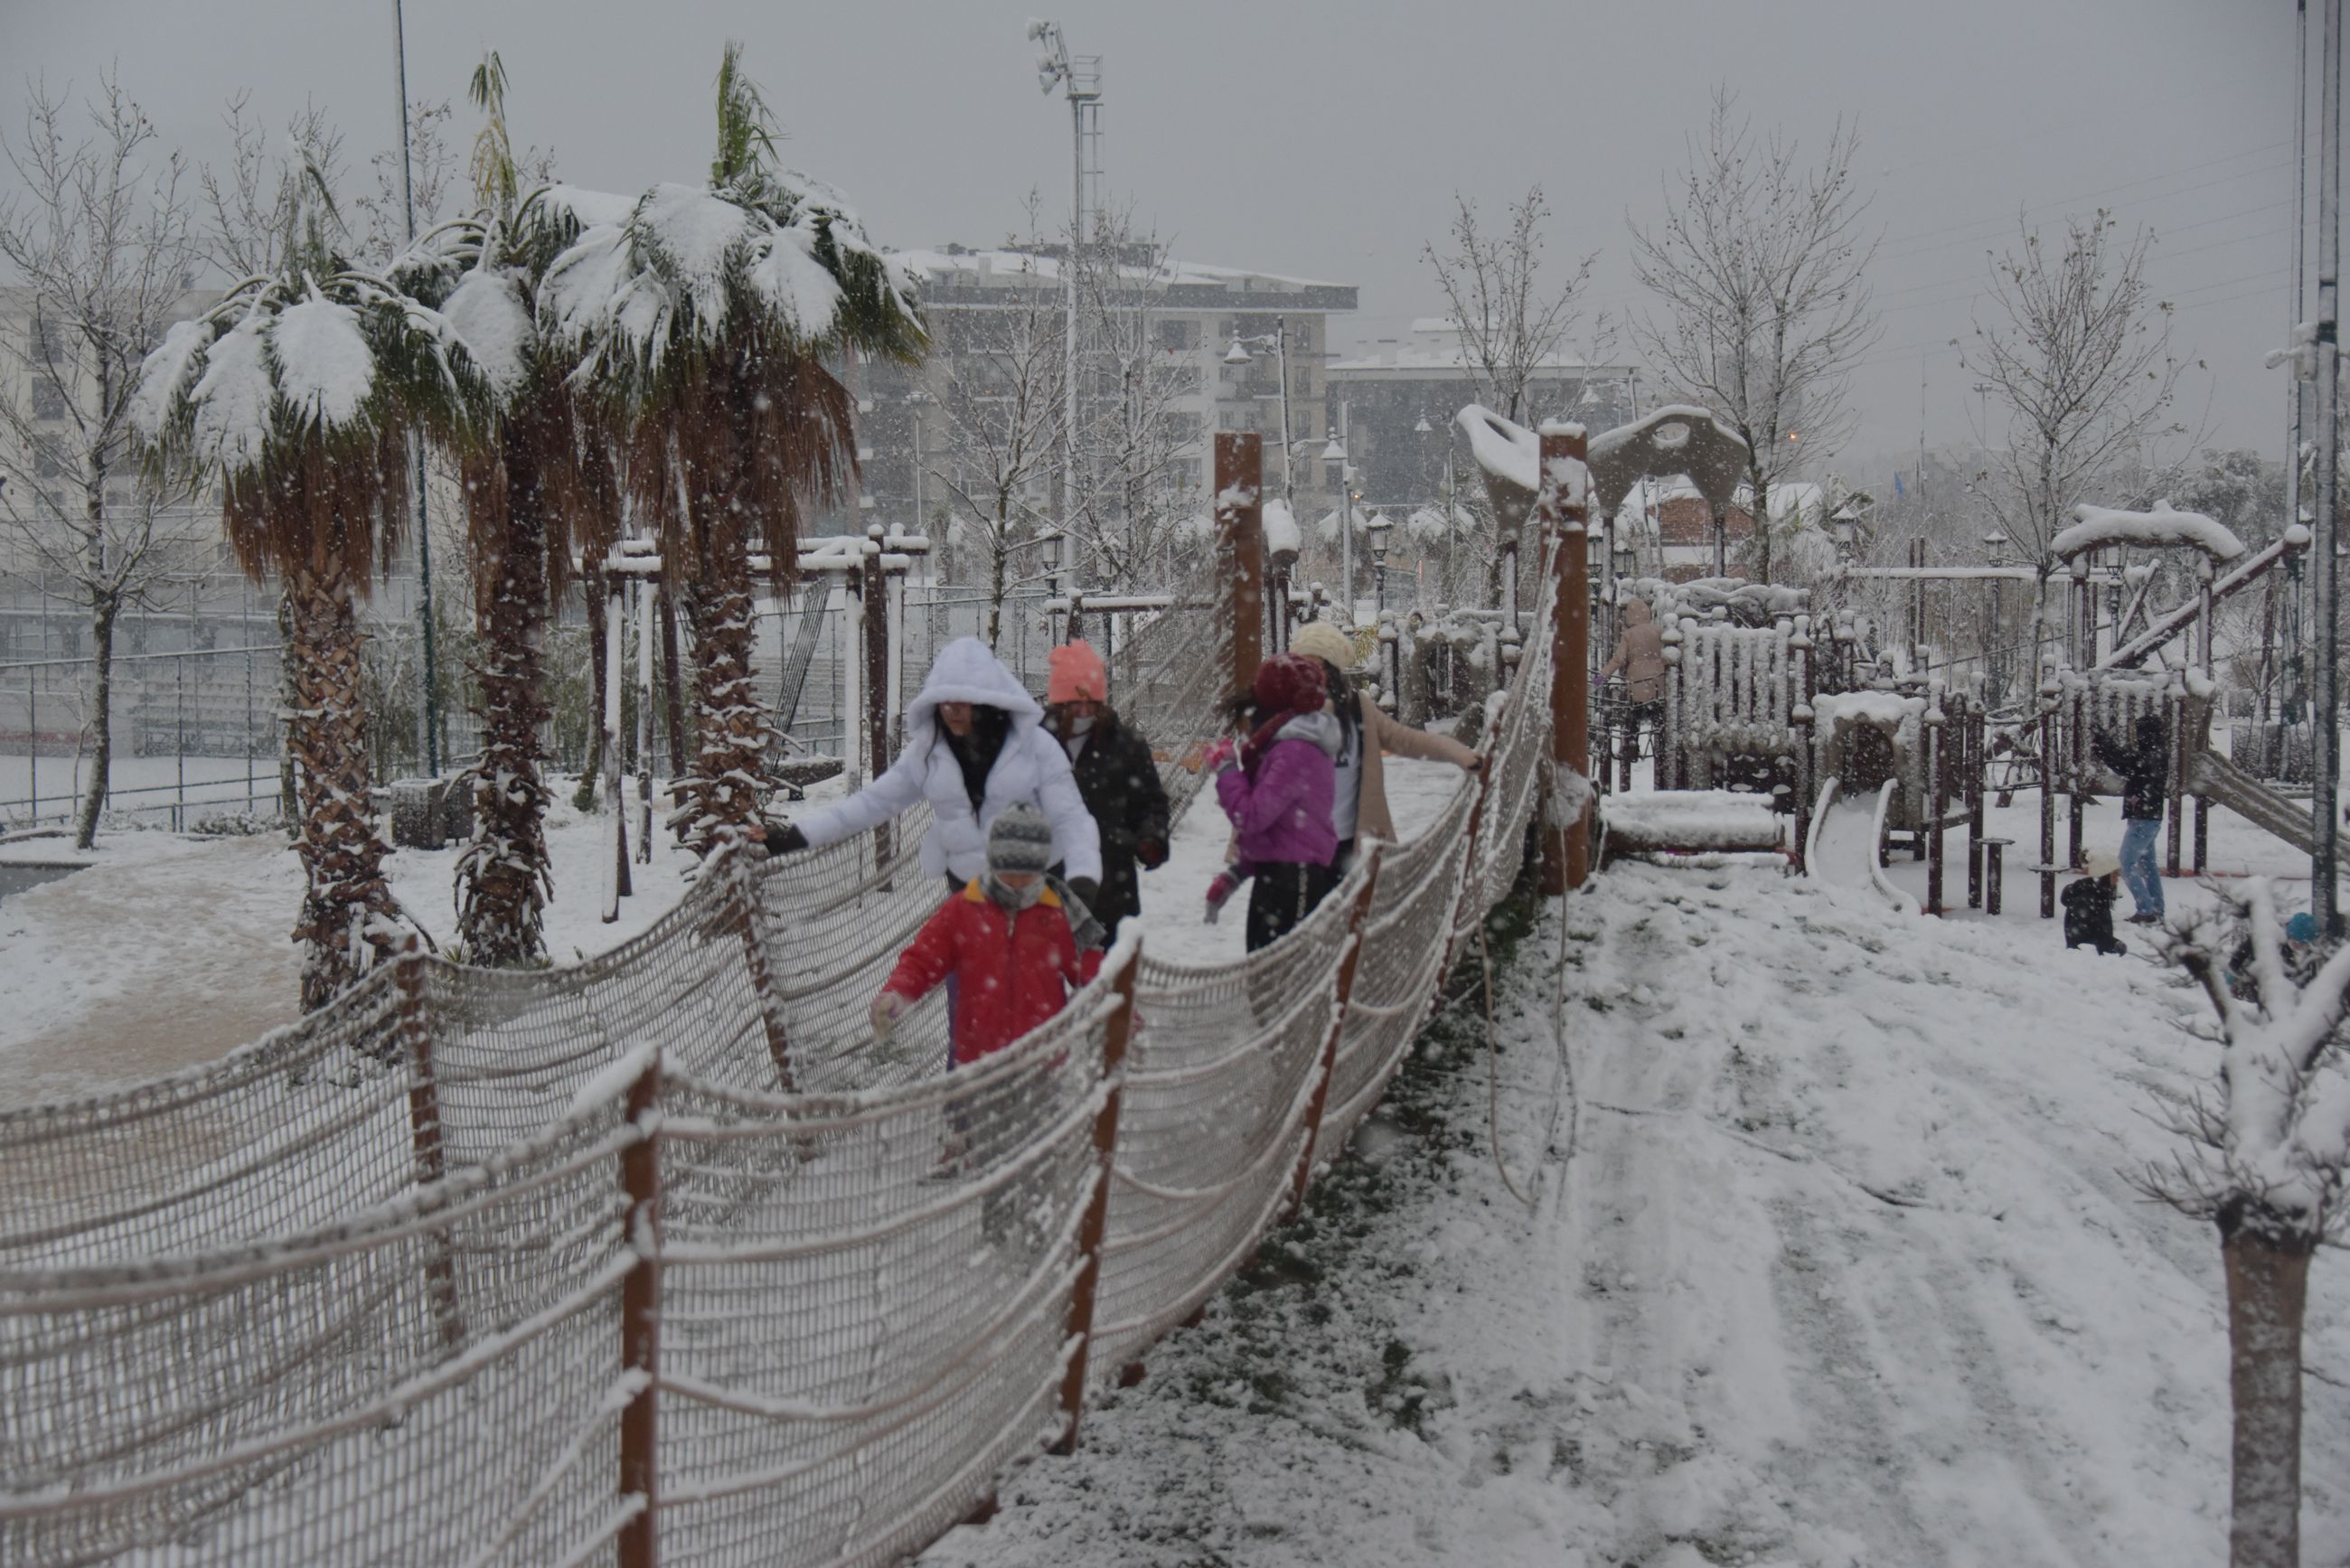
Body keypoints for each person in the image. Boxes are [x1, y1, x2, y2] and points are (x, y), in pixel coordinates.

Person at [768, 636, 1102, 905]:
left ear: (986, 704)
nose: (951, 711)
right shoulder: (928, 754)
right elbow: (872, 804)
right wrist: (798, 836)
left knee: (1036, 987)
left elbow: (1070, 816)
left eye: (961, 701)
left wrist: (1083, 874)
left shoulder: (1037, 747)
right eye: (944, 702)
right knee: (967, 987)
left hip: (1036, 894)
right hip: (967, 896)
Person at [1288, 619, 1483, 868]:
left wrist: (1460, 754)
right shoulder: (1285, 712)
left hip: (1353, 845)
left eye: (1320, 666)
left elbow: (1407, 740)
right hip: (1299, 845)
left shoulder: (1358, 709)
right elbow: (1259, 780)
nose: (1312, 675)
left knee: (1358, 905)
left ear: (1334, 671)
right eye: (1304, 666)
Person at [1208, 653, 1343, 952]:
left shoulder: (1294, 751)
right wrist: (1238, 873)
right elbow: (1284, 830)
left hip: (1294, 882)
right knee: (1264, 973)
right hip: (1281, 876)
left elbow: (1252, 816)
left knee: (1280, 978)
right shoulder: (1289, 744)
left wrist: (1227, 770)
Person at [1040, 640, 1170, 933]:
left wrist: (1151, 838)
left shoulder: (1125, 745)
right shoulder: (1036, 743)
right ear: (1060, 703)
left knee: (1108, 970)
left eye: (1092, 702)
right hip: (1049, 880)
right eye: (1075, 702)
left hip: (1111, 880)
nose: (1085, 711)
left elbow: (1151, 802)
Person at [2092, 713, 2168, 925]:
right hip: (2149, 816)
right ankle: (2156, 908)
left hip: (2143, 818)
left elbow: (2125, 763)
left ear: (2147, 733)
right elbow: (2125, 762)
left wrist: (2104, 745)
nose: (2136, 736)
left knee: (2126, 864)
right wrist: (2106, 747)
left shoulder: (2150, 755)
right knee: (2148, 864)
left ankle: (2146, 909)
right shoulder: (2156, 753)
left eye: (2139, 732)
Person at [1597, 598, 1668, 763]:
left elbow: (1618, 659)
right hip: (1658, 680)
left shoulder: (1629, 635)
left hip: (1637, 682)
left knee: (1633, 718)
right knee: (1658, 717)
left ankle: (1631, 749)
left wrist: (1601, 677)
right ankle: (1663, 749)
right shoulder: (1658, 630)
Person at [2061, 850, 2126, 955]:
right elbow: (2088, 936)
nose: (2118, 879)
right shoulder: (2087, 900)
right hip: (2081, 959)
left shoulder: (2099, 894)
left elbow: (2099, 932)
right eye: (2115, 875)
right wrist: (2113, 944)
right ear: (2104, 876)